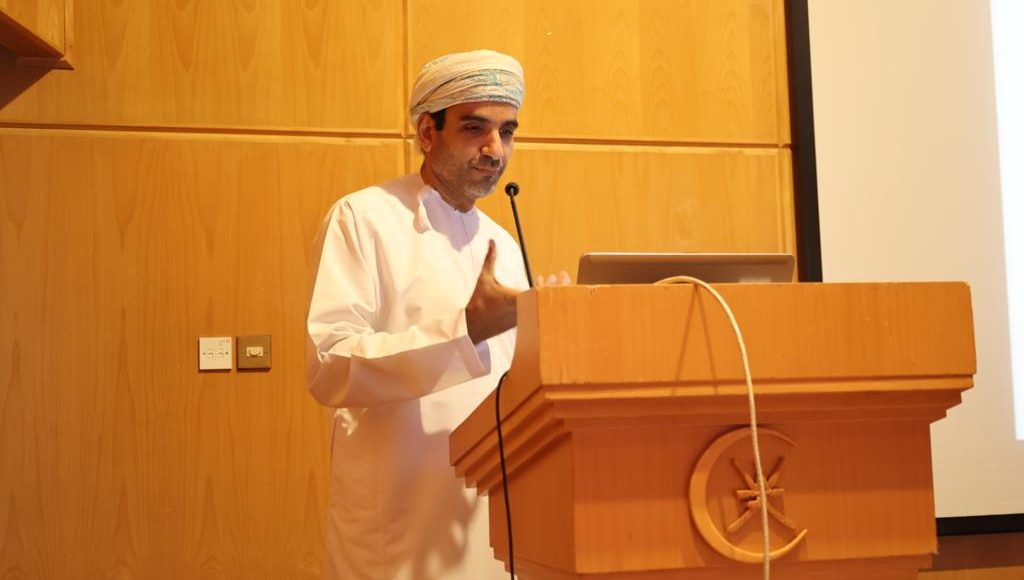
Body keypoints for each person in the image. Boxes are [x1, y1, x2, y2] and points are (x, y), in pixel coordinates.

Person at [306, 50, 528, 579]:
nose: (495, 149)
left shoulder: (503, 243)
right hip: (399, 525)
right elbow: (329, 365)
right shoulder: (363, 219)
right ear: (428, 132)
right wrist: (463, 332)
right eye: (475, 128)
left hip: (493, 520)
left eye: (506, 131)